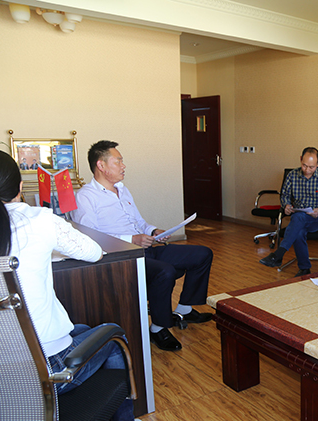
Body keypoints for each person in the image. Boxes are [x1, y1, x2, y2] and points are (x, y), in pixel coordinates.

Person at [0, 148, 145, 421]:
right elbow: (93, 252)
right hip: (44, 371)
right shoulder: (38, 220)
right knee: (113, 337)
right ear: (19, 187)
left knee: (80, 330)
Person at [73, 140, 213, 352]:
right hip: (121, 257)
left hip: (146, 249)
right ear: (101, 165)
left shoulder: (122, 190)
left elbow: (139, 222)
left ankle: (184, 309)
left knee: (202, 254)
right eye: (118, 161)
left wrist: (153, 231)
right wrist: (132, 239)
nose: (123, 166)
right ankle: (158, 329)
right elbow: (91, 237)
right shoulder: (85, 197)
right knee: (165, 272)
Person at [259, 147, 318, 277]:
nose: (307, 170)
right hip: (299, 216)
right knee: (299, 229)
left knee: (298, 219)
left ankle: (279, 254)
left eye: (311, 167)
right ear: (301, 159)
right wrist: (286, 205)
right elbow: (285, 195)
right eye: (304, 165)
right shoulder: (292, 175)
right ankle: (304, 268)